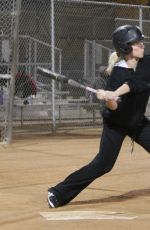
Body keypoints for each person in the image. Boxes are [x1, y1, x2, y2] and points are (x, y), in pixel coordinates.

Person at [47, 25, 150, 208]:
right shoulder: (117, 74)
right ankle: (59, 192)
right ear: (125, 47)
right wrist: (108, 99)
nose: (142, 45)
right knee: (104, 164)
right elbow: (114, 108)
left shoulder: (146, 63)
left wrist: (114, 92)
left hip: (137, 121)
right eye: (137, 43)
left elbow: (137, 82)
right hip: (116, 124)